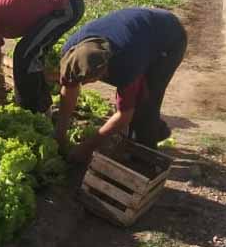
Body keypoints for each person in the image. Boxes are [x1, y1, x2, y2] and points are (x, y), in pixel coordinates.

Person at [55, 8, 187, 160]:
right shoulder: (70, 53)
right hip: (140, 30)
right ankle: (157, 130)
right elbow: (69, 89)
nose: (83, 85)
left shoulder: (126, 65)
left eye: (88, 80)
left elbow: (124, 115)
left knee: (146, 102)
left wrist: (87, 147)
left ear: (104, 69)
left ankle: (144, 159)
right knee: (138, 106)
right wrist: (60, 134)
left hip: (169, 39)